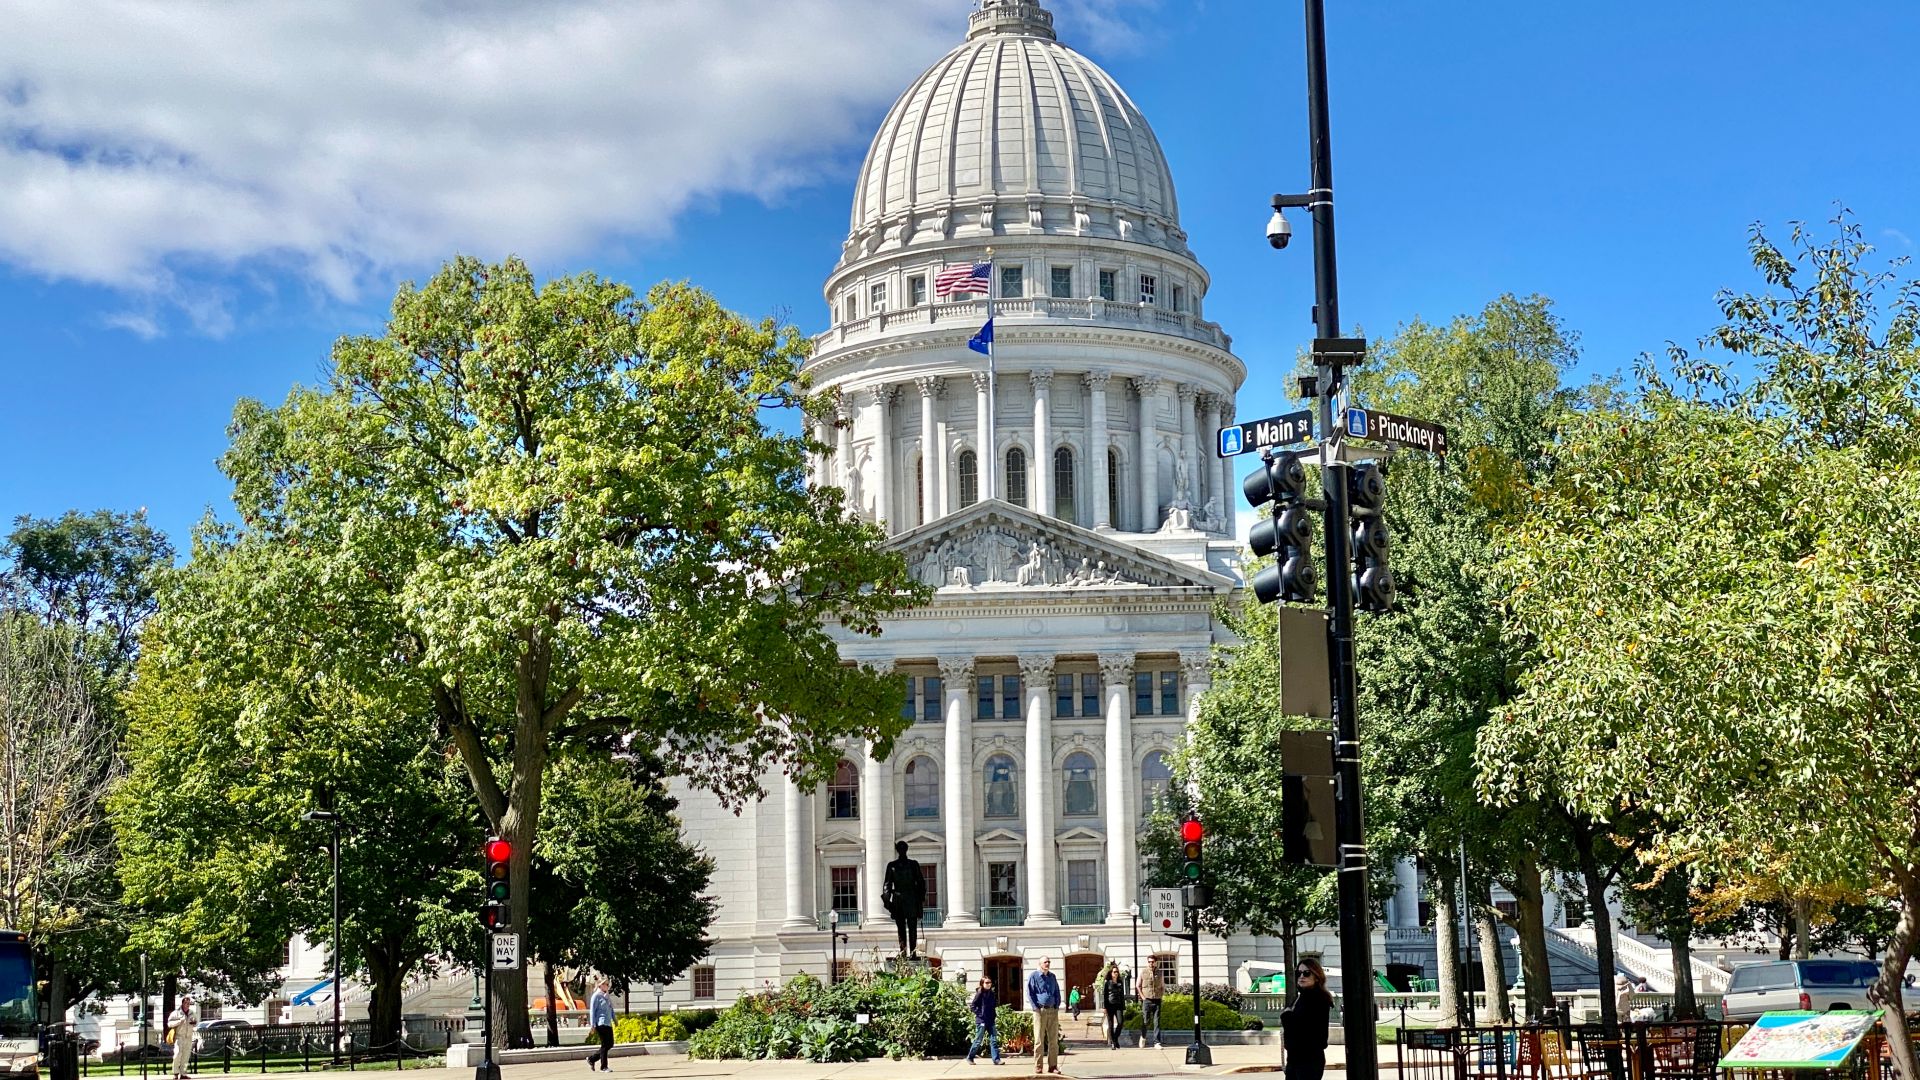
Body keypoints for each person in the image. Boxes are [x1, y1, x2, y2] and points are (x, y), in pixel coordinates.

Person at [1280, 958, 1332, 1080]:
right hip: (1295, 1059)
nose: (1301, 976)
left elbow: (1313, 1033)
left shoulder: (1319, 999)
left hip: (1309, 1061)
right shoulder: (1301, 997)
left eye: (1307, 973)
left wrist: (1287, 1018)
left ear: (1317, 977)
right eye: (1298, 973)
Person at [881, 841, 927, 957]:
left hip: (911, 899)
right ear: (897, 850)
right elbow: (887, 884)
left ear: (906, 849)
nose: (902, 850)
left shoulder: (913, 864)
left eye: (903, 848)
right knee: (901, 928)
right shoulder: (892, 866)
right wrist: (886, 899)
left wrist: (921, 898)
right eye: (900, 848)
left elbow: (921, 882)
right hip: (899, 900)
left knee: (912, 928)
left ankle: (913, 953)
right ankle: (903, 953)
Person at [1025, 957, 1062, 1076]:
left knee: (1053, 1040)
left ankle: (1053, 1066)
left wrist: (1057, 1004)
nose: (1047, 964)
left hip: (1052, 1010)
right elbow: (1030, 992)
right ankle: (1038, 1066)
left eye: (1049, 962)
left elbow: (1057, 991)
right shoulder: (1034, 976)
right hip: (1040, 1011)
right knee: (1039, 1040)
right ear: (1040, 964)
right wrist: (1035, 1007)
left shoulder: (1052, 976)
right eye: (1045, 962)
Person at [968, 975, 1001, 1065]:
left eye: (990, 982)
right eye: (986, 982)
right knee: (978, 1040)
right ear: (982, 984)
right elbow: (973, 1006)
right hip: (981, 1021)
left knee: (993, 1040)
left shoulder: (991, 993)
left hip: (990, 1020)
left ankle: (996, 1059)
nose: (989, 984)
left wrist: (994, 1015)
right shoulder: (979, 993)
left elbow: (993, 1005)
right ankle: (970, 1057)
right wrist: (980, 1014)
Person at [585, 979, 615, 1071]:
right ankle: (604, 1067)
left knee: (610, 1044)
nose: (607, 986)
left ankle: (592, 1059)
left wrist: (614, 1019)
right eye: (605, 984)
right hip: (600, 1023)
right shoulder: (596, 996)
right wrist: (593, 1025)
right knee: (605, 1044)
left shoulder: (606, 996)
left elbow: (611, 1008)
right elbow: (592, 1011)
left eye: (608, 984)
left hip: (608, 1023)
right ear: (600, 985)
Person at [166, 994, 196, 1080]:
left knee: (186, 1056)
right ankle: (175, 1073)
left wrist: (194, 1023)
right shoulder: (176, 1013)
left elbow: (196, 1022)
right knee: (177, 1054)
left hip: (188, 1037)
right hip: (179, 1037)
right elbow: (169, 1024)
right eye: (186, 1003)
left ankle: (183, 1074)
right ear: (182, 1003)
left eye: (189, 1003)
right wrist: (179, 1021)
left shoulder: (192, 1012)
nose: (187, 1004)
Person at [1099, 962, 1126, 1049]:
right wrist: (1104, 1007)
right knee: (1110, 1024)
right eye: (1114, 972)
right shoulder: (1108, 983)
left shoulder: (1120, 982)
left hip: (1118, 1005)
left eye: (1117, 972)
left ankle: (1115, 1038)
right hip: (1110, 1005)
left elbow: (1122, 995)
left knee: (1120, 1023)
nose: (1116, 973)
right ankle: (1113, 1043)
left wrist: (1123, 1007)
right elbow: (1105, 995)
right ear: (1111, 973)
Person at [1136, 961, 1164, 1048]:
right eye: (1149, 962)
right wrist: (1143, 997)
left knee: (1157, 1022)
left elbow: (1162, 985)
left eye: (1152, 962)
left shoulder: (1160, 973)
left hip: (1157, 999)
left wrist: (1161, 995)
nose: (1151, 963)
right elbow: (1138, 985)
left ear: (1155, 962)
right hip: (1147, 1000)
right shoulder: (1143, 972)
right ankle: (1143, 1037)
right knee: (1146, 1021)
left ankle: (1157, 1042)